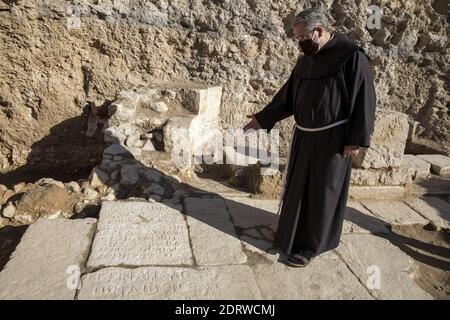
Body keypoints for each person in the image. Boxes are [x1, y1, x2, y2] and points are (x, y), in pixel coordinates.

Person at [243, 8, 377, 267]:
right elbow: (288, 97)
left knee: (322, 193)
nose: (299, 43)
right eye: (296, 38)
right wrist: (262, 118)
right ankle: (290, 238)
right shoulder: (305, 61)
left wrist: (355, 140)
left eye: (302, 37)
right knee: (298, 189)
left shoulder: (351, 57)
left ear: (319, 31)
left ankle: (311, 247)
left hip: (334, 140)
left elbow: (365, 100)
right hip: (305, 137)